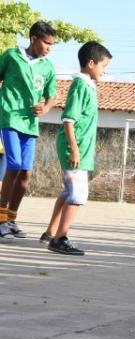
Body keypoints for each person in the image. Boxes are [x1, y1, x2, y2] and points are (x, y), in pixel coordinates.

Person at [40, 41, 112, 255]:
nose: (104, 71)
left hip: (80, 148)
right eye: (103, 66)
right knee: (78, 194)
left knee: (68, 191)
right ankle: (60, 239)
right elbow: (68, 119)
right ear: (91, 63)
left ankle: (50, 232)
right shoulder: (81, 86)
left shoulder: (88, 86)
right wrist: (74, 149)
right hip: (75, 148)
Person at [0, 21, 57, 240]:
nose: (49, 47)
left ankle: (11, 219)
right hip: (10, 117)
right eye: (46, 42)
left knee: (26, 173)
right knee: (13, 165)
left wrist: (45, 107)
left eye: (52, 44)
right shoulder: (11, 56)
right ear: (33, 39)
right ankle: (1, 219)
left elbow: (52, 96)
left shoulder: (48, 66)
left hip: (31, 124)